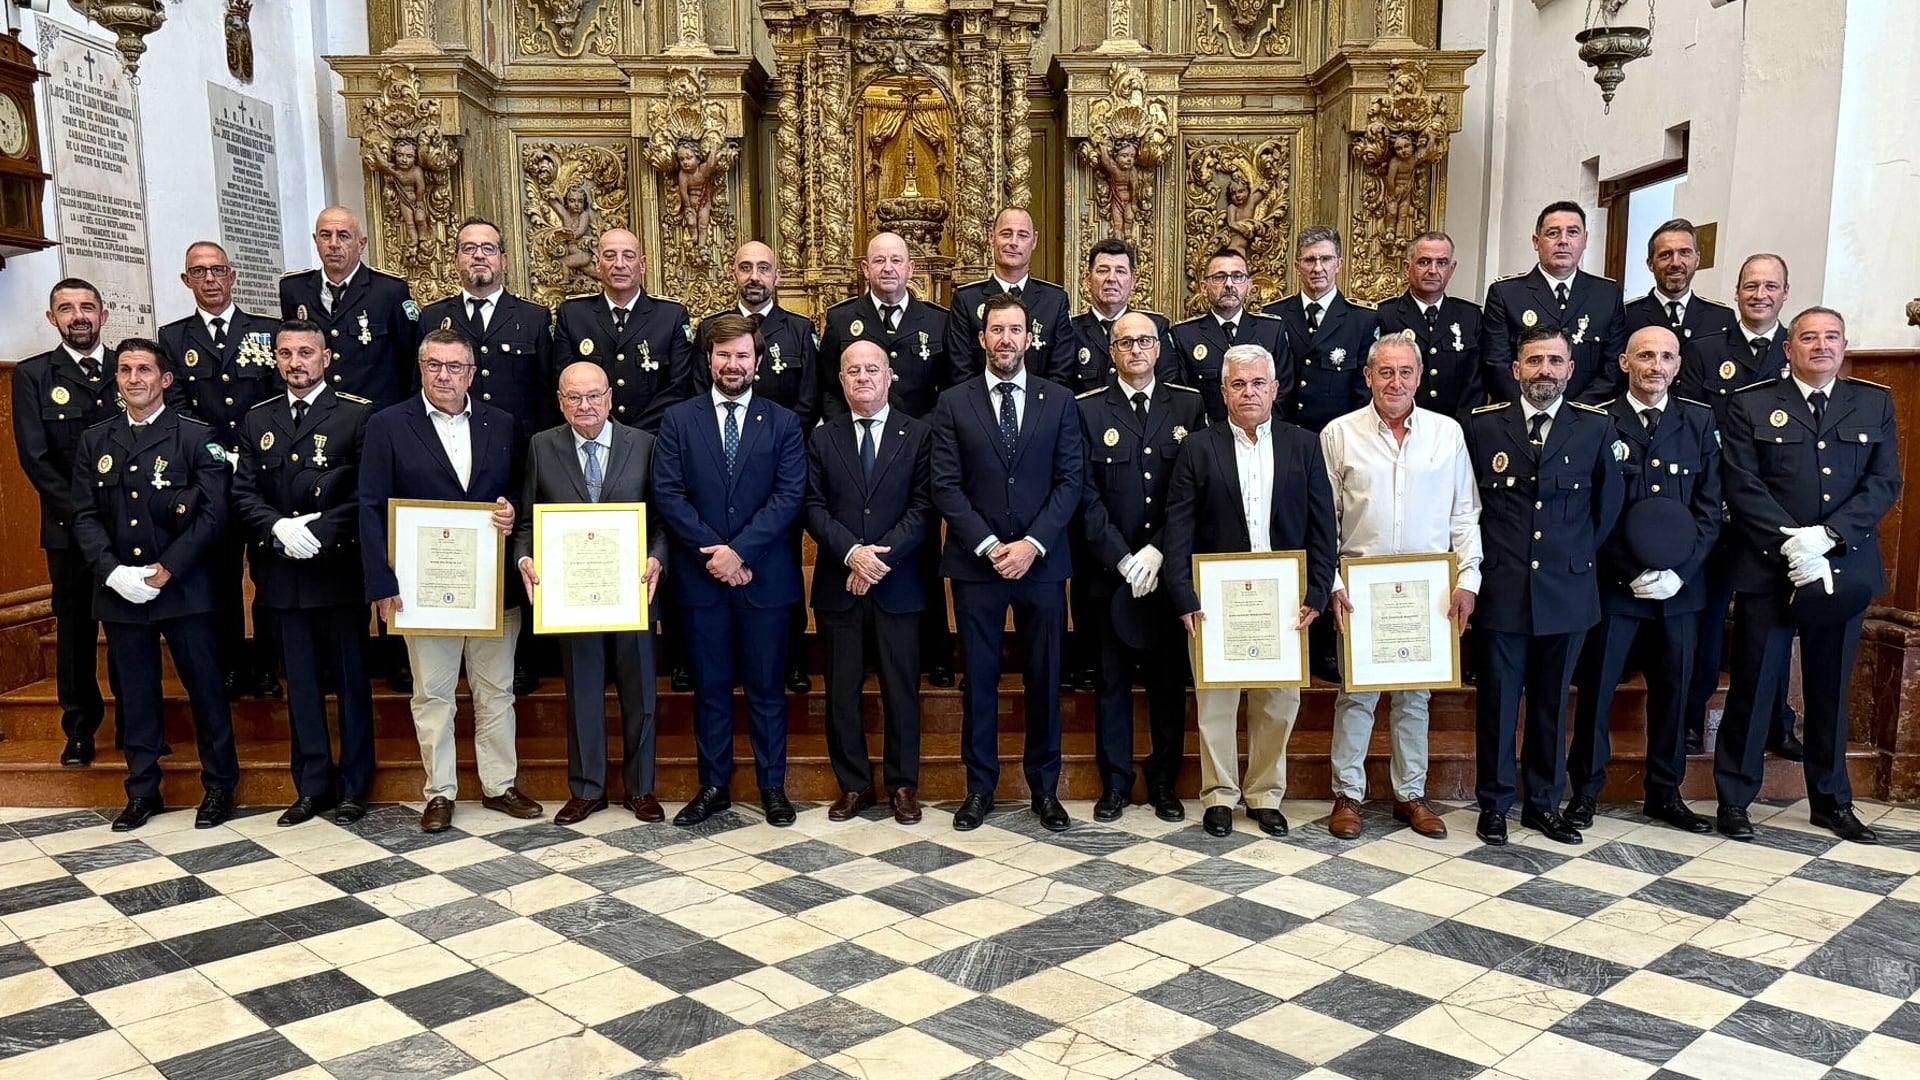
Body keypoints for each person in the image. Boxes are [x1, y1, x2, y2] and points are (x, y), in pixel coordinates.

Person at [1713, 307, 1900, 844]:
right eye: (1808, 338)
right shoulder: (1751, 403)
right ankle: (1735, 798)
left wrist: (1828, 536)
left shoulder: (1873, 401)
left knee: (1830, 687)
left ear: (1845, 345)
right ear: (1788, 348)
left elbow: (1885, 481)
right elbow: (1741, 482)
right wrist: (1793, 540)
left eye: (1831, 337)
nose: (1821, 346)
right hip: (1768, 568)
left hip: (1842, 565)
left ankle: (1831, 800)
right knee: (1753, 683)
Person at [360, 329, 540, 833]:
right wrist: (381, 581)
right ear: (421, 368)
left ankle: (500, 786)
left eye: (455, 366)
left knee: (496, 691)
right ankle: (439, 791)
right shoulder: (389, 425)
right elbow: (371, 507)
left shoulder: (501, 423)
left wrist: (511, 512)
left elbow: (520, 495)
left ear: (472, 372)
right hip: (422, 592)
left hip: (491, 587)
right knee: (433, 694)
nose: (445, 375)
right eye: (435, 365)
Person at [1164, 343, 1336, 838]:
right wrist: (1184, 596)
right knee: (1216, 701)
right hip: (1217, 602)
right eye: (1238, 384)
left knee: (1278, 702)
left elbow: (1323, 529)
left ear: (1275, 389)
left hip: (1285, 602)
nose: (1249, 392)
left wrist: (1318, 592)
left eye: (1258, 382)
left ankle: (1264, 794)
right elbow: (1180, 529)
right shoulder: (1200, 447)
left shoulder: (1303, 445)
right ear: (1222, 391)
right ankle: (1219, 794)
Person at [930, 292, 1085, 833]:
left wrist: (1032, 544)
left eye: (1015, 330)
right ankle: (979, 789)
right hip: (978, 567)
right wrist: (991, 545)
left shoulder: (1058, 400)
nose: (1005, 340)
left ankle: (1045, 789)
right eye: (996, 330)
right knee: (980, 679)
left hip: (1041, 564)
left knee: (1045, 678)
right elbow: (945, 486)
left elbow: (1071, 482)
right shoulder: (954, 402)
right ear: (982, 338)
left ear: (1029, 338)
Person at [70, 340, 238, 831]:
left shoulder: (194, 436)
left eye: (144, 369)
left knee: (205, 691)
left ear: (166, 379)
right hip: (122, 591)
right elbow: (82, 514)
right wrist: (111, 571)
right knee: (136, 696)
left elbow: (213, 514)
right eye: (124, 370)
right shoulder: (95, 440)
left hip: (184, 590)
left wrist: (166, 570)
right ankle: (142, 790)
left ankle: (219, 786)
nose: (134, 378)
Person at [1464, 326, 1623, 846]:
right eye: (1534, 361)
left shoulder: (1595, 429)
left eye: (1556, 361)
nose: (1545, 371)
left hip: (1567, 590)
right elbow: (1470, 509)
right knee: (1499, 703)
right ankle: (1494, 803)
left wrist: (1571, 557)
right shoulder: (1485, 428)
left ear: (1570, 369)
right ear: (1516, 369)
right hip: (1504, 588)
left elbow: (1606, 508)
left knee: (1554, 704)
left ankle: (1543, 804)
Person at [1320, 335, 1481, 841]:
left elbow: (1464, 514)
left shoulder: (1446, 434)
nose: (1396, 382)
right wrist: (1334, 582)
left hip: (1426, 592)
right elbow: (1326, 520)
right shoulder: (1339, 434)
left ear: (1419, 375)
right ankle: (1348, 794)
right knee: (1357, 696)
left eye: (1405, 372)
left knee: (1415, 698)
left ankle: (1410, 794)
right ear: (1367, 376)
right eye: (1385, 372)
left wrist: (1468, 580)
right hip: (1361, 591)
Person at [652, 313, 807, 827]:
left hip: (765, 581)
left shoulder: (783, 422)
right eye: (724, 355)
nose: (733, 364)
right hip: (702, 584)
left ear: (758, 363)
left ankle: (772, 786)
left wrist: (740, 552)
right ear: (709, 360)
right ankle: (713, 785)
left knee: (766, 690)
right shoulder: (679, 419)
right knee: (711, 689)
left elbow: (788, 497)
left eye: (743, 355)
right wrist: (715, 553)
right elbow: (669, 495)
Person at [1565, 326, 1720, 835]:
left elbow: (1710, 509)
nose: (1656, 365)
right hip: (1616, 588)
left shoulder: (1698, 422)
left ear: (1678, 365)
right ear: (1626, 362)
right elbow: (1589, 511)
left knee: (1675, 693)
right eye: (1646, 355)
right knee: (1598, 690)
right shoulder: (1597, 422)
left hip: (1680, 591)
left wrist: (1680, 572)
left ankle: (1665, 792)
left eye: (1666, 357)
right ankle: (1585, 791)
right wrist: (1631, 572)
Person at [230, 320, 377, 826]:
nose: (296, 363)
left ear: (326, 359)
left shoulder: (357, 416)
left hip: (337, 571)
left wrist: (320, 529)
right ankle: (312, 787)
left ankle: (356, 786)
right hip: (283, 575)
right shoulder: (256, 420)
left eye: (306, 353)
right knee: (302, 685)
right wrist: (277, 528)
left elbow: (366, 494)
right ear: (276, 360)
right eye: (287, 354)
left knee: (353, 683)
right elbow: (243, 492)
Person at [513, 362, 669, 825]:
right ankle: (587, 790)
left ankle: (641, 789)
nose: (585, 406)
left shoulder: (644, 445)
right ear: (560, 401)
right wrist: (524, 559)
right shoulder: (542, 446)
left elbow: (662, 521)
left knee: (640, 694)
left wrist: (657, 557)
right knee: (582, 692)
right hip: (571, 598)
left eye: (594, 396)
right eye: (574, 397)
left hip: (633, 591)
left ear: (609, 398)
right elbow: (526, 521)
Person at [1075, 311, 1206, 823]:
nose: (1136, 350)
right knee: (1109, 683)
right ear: (1112, 351)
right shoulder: (1087, 410)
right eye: (1125, 342)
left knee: (1168, 684)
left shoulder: (1189, 406)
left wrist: (1159, 550)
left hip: (1168, 572)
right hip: (1109, 574)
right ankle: (1114, 783)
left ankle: (1164, 782)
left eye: (1145, 340)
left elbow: (1194, 491)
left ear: (1159, 347)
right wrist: (1123, 556)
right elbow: (1083, 494)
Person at [420, 216, 559, 696]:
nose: (479, 256)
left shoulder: (534, 318)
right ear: (456, 259)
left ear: (503, 259)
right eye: (468, 248)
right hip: (447, 456)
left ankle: (521, 658)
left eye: (488, 248)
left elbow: (544, 395)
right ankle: (454, 648)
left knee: (514, 550)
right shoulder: (431, 317)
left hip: (513, 457)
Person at [818, 232, 956, 686]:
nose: (888, 269)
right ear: (866, 269)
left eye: (897, 261)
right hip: (854, 448)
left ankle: (933, 651)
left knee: (921, 553)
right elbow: (827, 388)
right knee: (856, 534)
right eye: (879, 261)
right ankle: (866, 651)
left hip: (918, 448)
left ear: (911, 268)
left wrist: (918, 437)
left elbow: (950, 388)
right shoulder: (841, 320)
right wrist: (846, 437)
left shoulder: (937, 320)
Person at [805, 341, 935, 825]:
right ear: (840, 380)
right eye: (853, 370)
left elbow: (924, 506)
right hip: (840, 585)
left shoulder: (919, 434)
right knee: (842, 691)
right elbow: (812, 507)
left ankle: (903, 785)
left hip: (899, 584)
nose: (862, 377)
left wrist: (879, 559)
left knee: (901, 689)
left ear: (889, 377)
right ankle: (854, 785)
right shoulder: (822, 438)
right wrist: (851, 554)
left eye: (872, 369)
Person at [1678, 253, 1800, 757]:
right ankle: (1691, 714)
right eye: (1751, 286)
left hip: (1776, 517)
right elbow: (1690, 428)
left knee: (1773, 623)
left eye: (1770, 287)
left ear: (1784, 294)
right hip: (1719, 510)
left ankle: (1778, 719)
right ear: (1736, 292)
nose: (1760, 295)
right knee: (1705, 621)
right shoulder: (1706, 352)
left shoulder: (1798, 352)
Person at [159, 242, 285, 699]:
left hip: (263, 473)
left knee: (270, 573)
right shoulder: (172, 338)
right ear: (186, 280)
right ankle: (231, 664)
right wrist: (215, 451)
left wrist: (249, 452)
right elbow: (175, 405)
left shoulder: (266, 332)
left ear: (233, 276)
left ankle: (268, 667)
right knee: (222, 574)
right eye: (199, 272)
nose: (210, 279)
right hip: (210, 477)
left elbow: (277, 397)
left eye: (217, 270)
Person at [9, 279, 124, 766]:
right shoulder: (35, 375)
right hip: (69, 531)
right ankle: (79, 730)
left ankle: (136, 725)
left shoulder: (131, 366)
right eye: (66, 308)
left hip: (129, 528)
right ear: (51, 317)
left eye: (87, 307)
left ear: (103, 313)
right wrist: (83, 518)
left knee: (129, 630)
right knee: (76, 632)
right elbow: (36, 459)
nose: (79, 315)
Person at [698, 241, 821, 693]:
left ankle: (787, 659)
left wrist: (778, 450)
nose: (755, 275)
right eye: (745, 267)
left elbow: (808, 400)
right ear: (733, 272)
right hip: (717, 470)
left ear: (777, 276)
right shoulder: (710, 329)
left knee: (779, 567)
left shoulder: (799, 329)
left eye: (763, 268)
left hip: (777, 473)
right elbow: (698, 393)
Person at [1480, 201, 1626, 404]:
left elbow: (1613, 368)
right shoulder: (1506, 293)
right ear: (1536, 241)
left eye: (1573, 232)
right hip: (1522, 418)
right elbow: (1495, 365)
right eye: (1553, 233)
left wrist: (1572, 413)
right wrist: (1536, 409)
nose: (1563, 241)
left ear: (1585, 240)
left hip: (1587, 419)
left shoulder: (1607, 295)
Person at [552, 227, 694, 432]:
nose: (619, 264)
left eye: (629, 256)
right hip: (592, 435)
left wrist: (632, 437)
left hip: (653, 438)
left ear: (642, 265)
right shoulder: (573, 315)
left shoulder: (671, 316)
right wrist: (606, 433)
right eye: (610, 256)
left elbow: (678, 387)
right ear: (598, 264)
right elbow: (563, 380)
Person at [279, 206, 421, 410]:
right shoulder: (294, 289)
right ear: (315, 241)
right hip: (317, 415)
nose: (333, 244)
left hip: (376, 416)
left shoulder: (389, 291)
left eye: (343, 236)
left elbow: (410, 360)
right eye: (325, 235)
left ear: (361, 244)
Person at [946, 208, 1080, 385]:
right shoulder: (966, 300)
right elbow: (960, 370)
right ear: (992, 237)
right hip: (978, 407)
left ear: (1034, 241)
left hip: (1042, 407)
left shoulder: (1055, 301)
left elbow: (1061, 371)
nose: (1014, 242)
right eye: (1006, 234)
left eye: (1023, 235)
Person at [1265, 225, 1377, 433]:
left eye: (1326, 259)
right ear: (1297, 265)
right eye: (1309, 260)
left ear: (1339, 264)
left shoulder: (1362, 320)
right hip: (1283, 435)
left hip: (1339, 437)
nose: (1318, 268)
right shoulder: (1273, 316)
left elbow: (1364, 390)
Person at [1170, 247, 1294, 423]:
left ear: (1249, 286)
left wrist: (1261, 431)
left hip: (1262, 437)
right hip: (1207, 441)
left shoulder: (1272, 331)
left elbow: (1284, 392)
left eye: (1237, 276)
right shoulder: (1185, 335)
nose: (1229, 284)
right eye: (1219, 277)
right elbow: (1183, 399)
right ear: (1204, 288)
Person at [1374, 232, 1484, 417]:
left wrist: (1459, 432)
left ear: (1452, 268)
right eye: (1424, 262)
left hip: (1455, 430)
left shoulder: (1469, 317)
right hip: (1398, 427)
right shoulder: (1384, 315)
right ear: (1407, 267)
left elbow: (1475, 385)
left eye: (1441, 263)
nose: (1433, 270)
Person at [1064, 238, 1179, 395]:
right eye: (1103, 270)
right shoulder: (1070, 330)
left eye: (1120, 271)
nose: (1111, 279)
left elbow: (1167, 388)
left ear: (1133, 281)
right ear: (1088, 280)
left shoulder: (1156, 326)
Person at [1623, 219, 1736, 343]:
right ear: (1650, 264)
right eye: (1665, 255)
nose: (1675, 263)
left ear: (1697, 260)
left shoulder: (1721, 317)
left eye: (1684, 253)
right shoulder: (1626, 315)